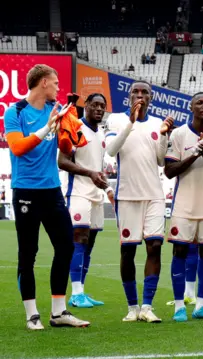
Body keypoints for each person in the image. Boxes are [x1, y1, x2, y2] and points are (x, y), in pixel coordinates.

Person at [6, 64, 89, 330]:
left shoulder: (56, 112)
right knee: (28, 253)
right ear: (43, 83)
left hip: (52, 191)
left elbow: (66, 148)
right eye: (55, 83)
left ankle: (58, 311)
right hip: (26, 192)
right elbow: (18, 148)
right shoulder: (15, 111)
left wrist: (68, 129)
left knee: (65, 247)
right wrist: (47, 128)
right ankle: (32, 315)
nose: (57, 88)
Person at [105, 81, 174, 323]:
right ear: (129, 95)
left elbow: (160, 160)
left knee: (154, 246)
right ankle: (132, 307)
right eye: (136, 91)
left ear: (151, 97)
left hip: (154, 194)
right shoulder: (115, 119)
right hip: (127, 195)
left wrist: (164, 135)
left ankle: (147, 306)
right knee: (128, 250)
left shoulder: (156, 123)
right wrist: (131, 122)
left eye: (145, 92)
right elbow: (111, 150)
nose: (140, 95)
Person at [164, 93, 203, 322]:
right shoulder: (180, 134)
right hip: (183, 205)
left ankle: (201, 305)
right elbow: (170, 171)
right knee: (180, 251)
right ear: (191, 107)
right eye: (200, 102)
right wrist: (194, 153)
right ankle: (179, 306)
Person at [59, 93, 113, 309]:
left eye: (102, 106)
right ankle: (76, 293)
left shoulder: (101, 133)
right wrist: (90, 173)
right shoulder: (75, 126)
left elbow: (97, 165)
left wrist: (105, 184)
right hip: (79, 191)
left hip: (96, 192)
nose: (99, 109)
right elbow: (62, 161)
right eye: (95, 105)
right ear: (86, 106)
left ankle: (82, 289)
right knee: (79, 238)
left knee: (89, 243)